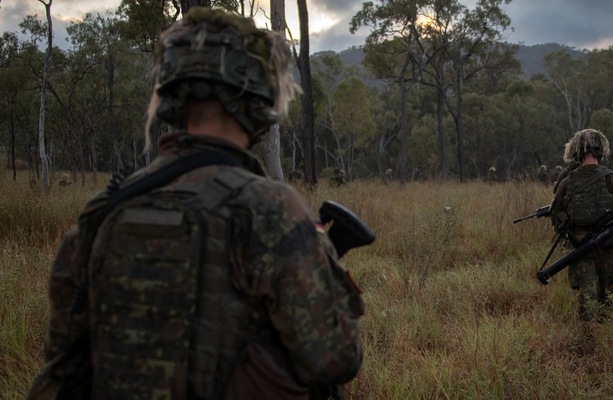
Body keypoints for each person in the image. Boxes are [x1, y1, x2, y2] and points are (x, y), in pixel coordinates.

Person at [27, 8, 364, 400]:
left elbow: (62, 358)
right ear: (258, 96)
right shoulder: (271, 209)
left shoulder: (104, 211)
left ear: (172, 96)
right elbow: (337, 359)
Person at [549, 129, 613, 322]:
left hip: (581, 248)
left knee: (587, 298)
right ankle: (607, 336)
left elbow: (556, 215)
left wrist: (571, 235)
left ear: (576, 151)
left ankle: (588, 340)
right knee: (607, 297)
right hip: (608, 247)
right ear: (601, 150)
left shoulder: (567, 181)